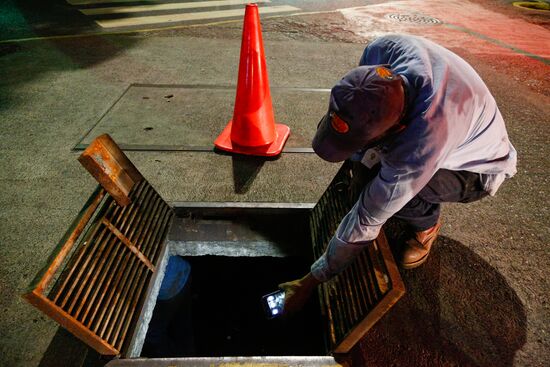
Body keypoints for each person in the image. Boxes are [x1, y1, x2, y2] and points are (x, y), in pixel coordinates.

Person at [279, 34, 517, 315]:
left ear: (399, 129)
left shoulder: (422, 141)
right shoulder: (380, 52)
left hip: (477, 167)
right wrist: (357, 164)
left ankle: (426, 228)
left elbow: (368, 217)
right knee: (366, 175)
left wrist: (312, 281)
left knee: (391, 191)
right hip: (452, 122)